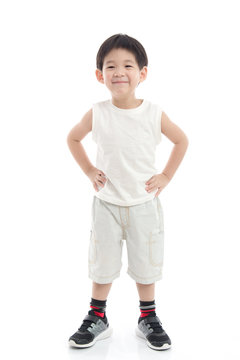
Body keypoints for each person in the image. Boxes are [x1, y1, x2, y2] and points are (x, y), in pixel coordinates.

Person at [67, 33, 189, 351]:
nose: (119, 71)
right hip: (107, 202)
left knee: (145, 263)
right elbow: (73, 138)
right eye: (110, 66)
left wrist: (166, 175)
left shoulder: (153, 112)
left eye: (127, 65)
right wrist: (89, 170)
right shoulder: (97, 112)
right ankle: (98, 316)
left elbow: (181, 140)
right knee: (103, 262)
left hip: (143, 204)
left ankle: (148, 316)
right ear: (100, 75)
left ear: (142, 73)